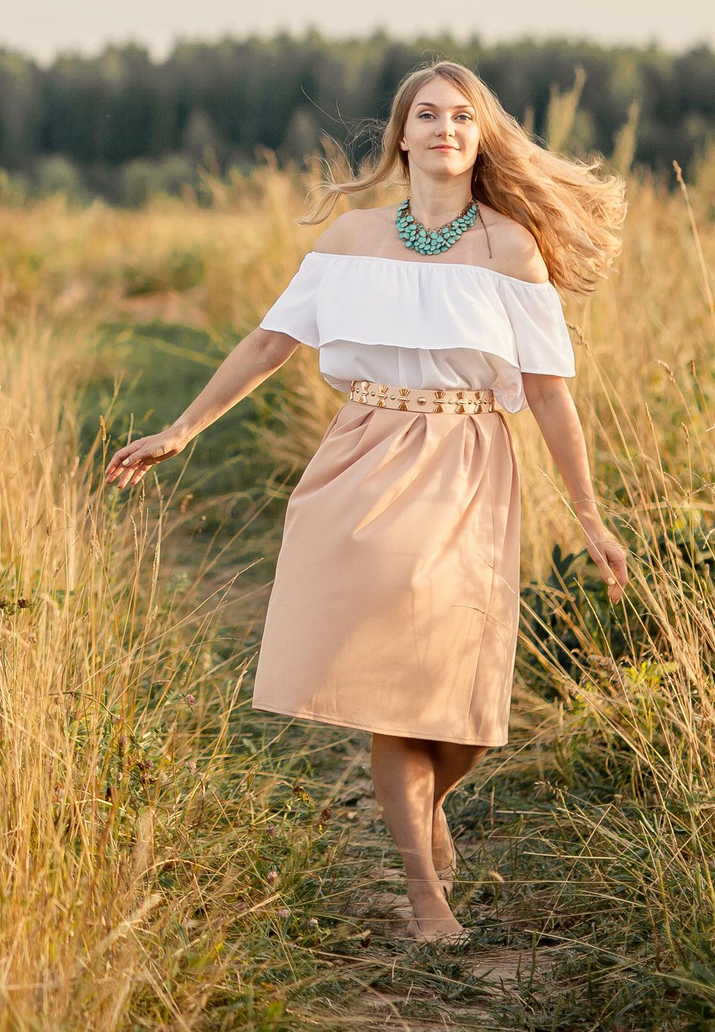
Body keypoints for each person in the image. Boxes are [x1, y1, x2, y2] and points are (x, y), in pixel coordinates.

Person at [104, 61, 632, 942]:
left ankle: (431, 803)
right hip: (365, 457)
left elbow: (547, 392)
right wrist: (183, 428)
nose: (444, 129)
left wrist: (588, 513)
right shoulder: (349, 240)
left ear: (480, 136)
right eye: (426, 114)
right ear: (400, 134)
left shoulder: (509, 247)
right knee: (399, 689)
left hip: (470, 463)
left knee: (460, 698)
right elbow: (270, 340)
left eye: (463, 117)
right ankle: (426, 896)